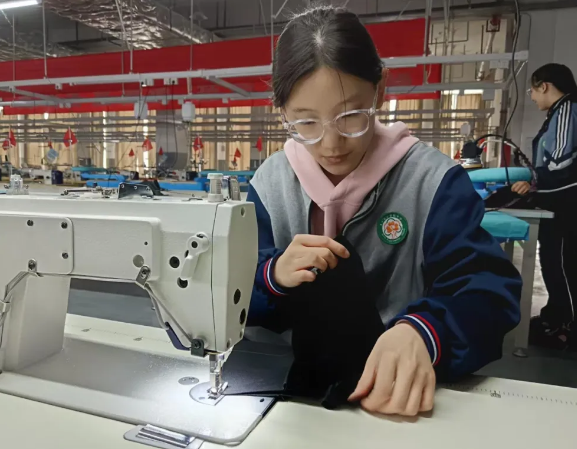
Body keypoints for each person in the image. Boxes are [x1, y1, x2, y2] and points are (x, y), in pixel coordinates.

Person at [247, 6, 522, 417]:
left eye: (350, 116)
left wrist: (426, 332)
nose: (331, 144)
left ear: (380, 91)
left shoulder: (433, 183)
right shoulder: (268, 187)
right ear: (282, 111)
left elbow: (487, 291)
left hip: (399, 402)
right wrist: (271, 277)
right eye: (306, 123)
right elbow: (230, 290)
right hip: (292, 405)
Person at [513, 63, 577, 348]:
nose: (531, 96)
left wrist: (533, 182)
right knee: (553, 260)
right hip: (558, 201)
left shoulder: (566, 110)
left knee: (562, 263)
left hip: (566, 204)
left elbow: (559, 162)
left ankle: (568, 326)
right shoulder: (558, 113)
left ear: (545, 86)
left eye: (532, 90)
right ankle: (557, 316)